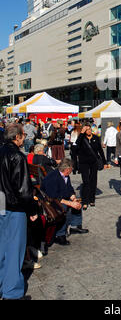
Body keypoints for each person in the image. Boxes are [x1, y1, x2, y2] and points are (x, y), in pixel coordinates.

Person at [0, 123, 38, 300]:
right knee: (15, 250)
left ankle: (2, 285)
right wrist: (32, 209)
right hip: (14, 205)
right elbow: (23, 190)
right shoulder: (17, 156)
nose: (25, 138)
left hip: (1, 202)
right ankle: (12, 292)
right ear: (17, 137)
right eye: (23, 135)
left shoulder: (1, 152)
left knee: (2, 248)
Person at [41, 158, 88, 246]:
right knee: (63, 208)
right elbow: (53, 197)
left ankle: (75, 225)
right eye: (71, 169)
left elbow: (69, 188)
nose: (72, 170)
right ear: (67, 169)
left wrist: (74, 198)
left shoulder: (65, 175)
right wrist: (70, 203)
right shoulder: (53, 178)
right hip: (49, 200)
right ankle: (60, 235)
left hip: (60, 197)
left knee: (77, 203)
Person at [76, 124, 107, 210]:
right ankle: (85, 201)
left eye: (90, 129)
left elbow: (100, 151)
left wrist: (104, 162)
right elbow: (76, 145)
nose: (89, 131)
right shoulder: (82, 138)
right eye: (87, 130)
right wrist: (81, 133)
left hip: (94, 162)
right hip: (84, 163)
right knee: (86, 181)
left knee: (93, 180)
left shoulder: (96, 138)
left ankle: (92, 199)